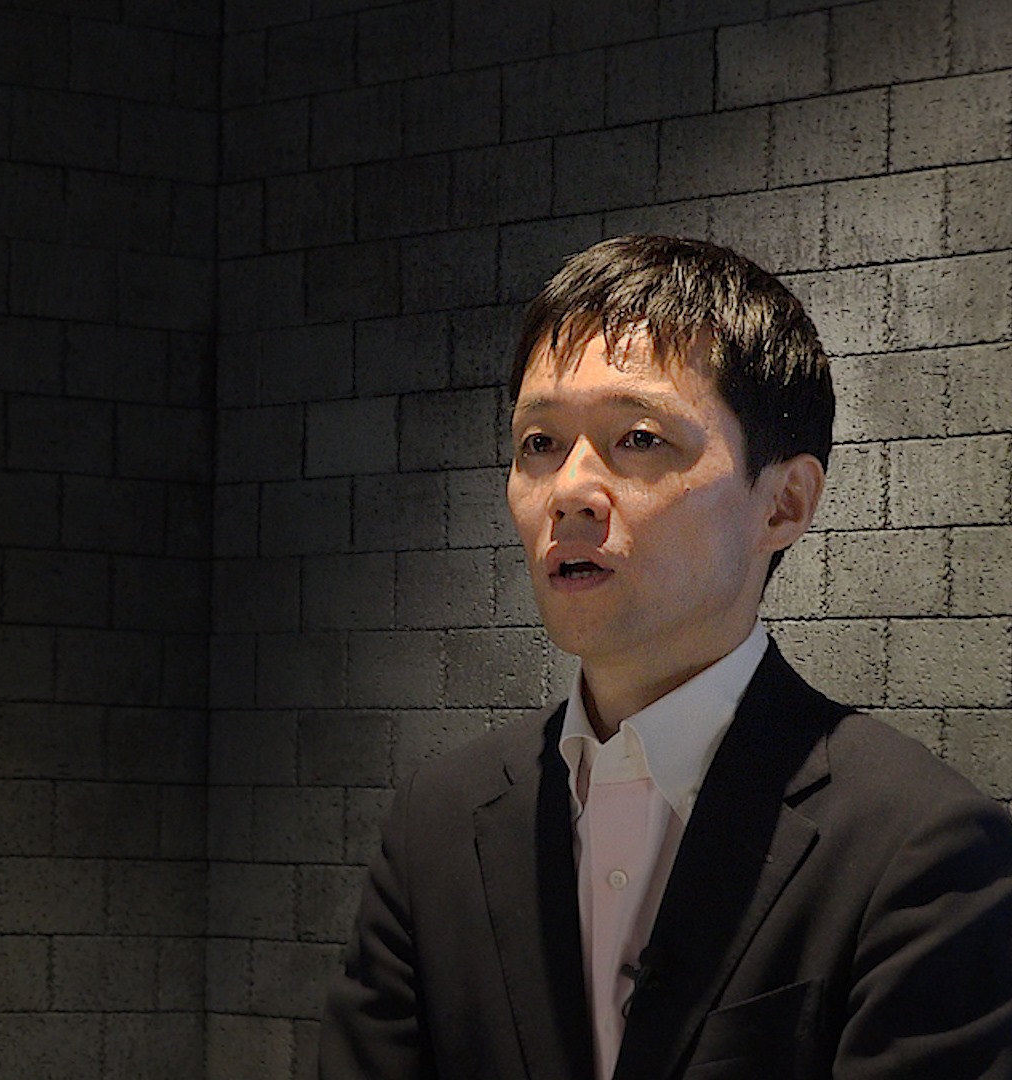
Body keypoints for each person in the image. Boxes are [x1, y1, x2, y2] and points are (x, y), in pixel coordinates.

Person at [319, 235, 1012, 1080]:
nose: (569, 490)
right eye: (538, 443)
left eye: (639, 439)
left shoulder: (922, 846)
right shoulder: (436, 823)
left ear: (784, 503)